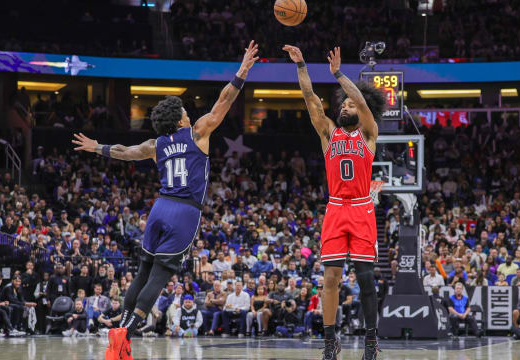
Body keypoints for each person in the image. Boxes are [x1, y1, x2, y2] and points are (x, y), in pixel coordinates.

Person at [72, 40, 259, 360]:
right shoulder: (198, 132)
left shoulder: (156, 144)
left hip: (159, 209)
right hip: (184, 212)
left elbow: (124, 153)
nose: (189, 112)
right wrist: (242, 70)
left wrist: (97, 147)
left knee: (142, 271)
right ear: (179, 120)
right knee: (158, 279)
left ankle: (122, 338)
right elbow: (223, 102)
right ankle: (123, 337)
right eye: (185, 111)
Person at [283, 44, 385, 360]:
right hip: (336, 208)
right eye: (342, 104)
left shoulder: (369, 133)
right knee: (330, 279)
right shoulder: (329, 132)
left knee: (366, 280)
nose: (343, 107)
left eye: (350, 104)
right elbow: (311, 100)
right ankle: (330, 342)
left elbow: (362, 104)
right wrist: (301, 66)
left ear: (362, 108)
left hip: (361, 208)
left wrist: (339, 74)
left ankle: (370, 341)